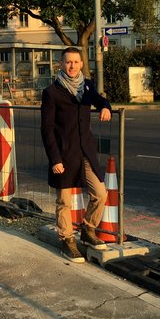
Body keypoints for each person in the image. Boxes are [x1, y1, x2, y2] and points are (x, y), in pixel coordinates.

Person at [40, 47, 112, 263]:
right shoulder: (52, 92)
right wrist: (55, 159)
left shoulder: (86, 86)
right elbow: (47, 128)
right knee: (64, 201)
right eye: (68, 62)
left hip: (86, 151)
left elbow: (99, 99)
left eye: (76, 62)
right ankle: (67, 239)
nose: (72, 66)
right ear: (61, 64)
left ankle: (88, 229)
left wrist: (105, 107)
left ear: (81, 64)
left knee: (100, 193)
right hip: (64, 153)